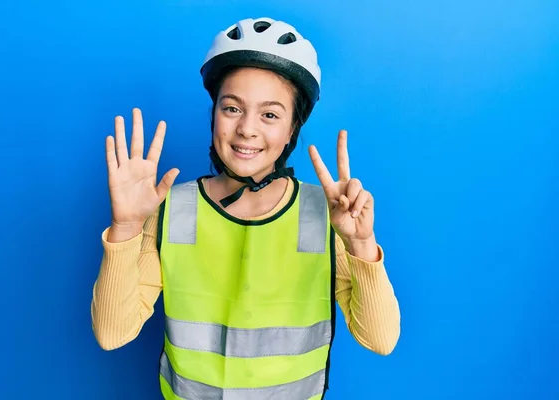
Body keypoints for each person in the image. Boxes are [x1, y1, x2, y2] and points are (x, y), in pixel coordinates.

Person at [91, 17, 401, 399]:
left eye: (270, 115)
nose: (247, 129)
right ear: (214, 113)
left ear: (292, 129)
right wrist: (125, 227)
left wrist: (361, 245)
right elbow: (111, 333)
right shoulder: (172, 209)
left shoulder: (327, 216)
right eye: (232, 108)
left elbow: (380, 340)